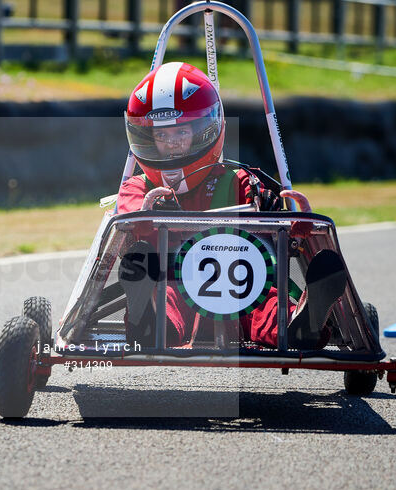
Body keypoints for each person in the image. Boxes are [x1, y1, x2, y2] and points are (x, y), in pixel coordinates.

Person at [117, 61, 345, 350]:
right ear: (146, 138)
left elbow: (281, 236)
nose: (171, 144)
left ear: (206, 131)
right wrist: (146, 215)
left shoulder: (238, 182)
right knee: (166, 296)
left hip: (239, 288)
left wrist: (296, 224)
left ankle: (303, 324)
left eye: (181, 133)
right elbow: (125, 224)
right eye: (162, 136)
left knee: (267, 302)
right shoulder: (138, 188)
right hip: (172, 283)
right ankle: (147, 322)